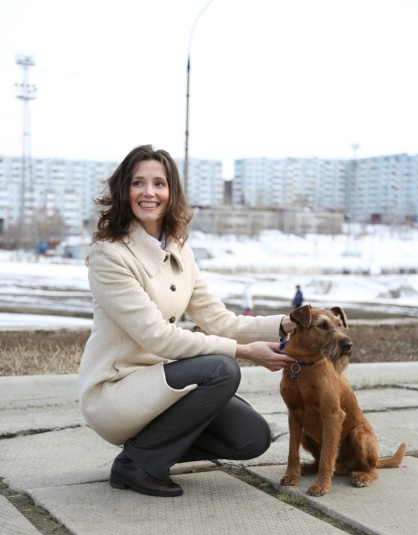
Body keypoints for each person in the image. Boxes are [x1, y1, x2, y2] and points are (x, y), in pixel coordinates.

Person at [78, 144, 296, 498]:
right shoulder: (110, 255)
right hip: (117, 392)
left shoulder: (179, 248)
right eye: (138, 183)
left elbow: (219, 321)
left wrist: (285, 324)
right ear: (123, 191)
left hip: (162, 387)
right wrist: (244, 352)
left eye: (159, 184)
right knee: (221, 370)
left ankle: (143, 451)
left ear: (172, 192)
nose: (149, 192)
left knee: (251, 438)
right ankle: (138, 465)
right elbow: (158, 337)